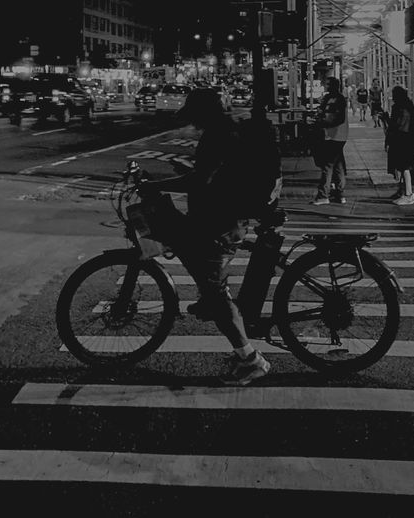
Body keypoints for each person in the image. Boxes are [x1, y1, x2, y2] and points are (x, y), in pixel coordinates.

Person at [142, 88, 282, 386]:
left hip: (222, 221)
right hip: (219, 217)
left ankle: (250, 360)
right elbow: (215, 174)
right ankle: (213, 300)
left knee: (214, 289)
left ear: (203, 113)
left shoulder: (219, 134)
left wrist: (158, 185)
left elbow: (201, 180)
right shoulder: (225, 129)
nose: (191, 121)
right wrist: (186, 173)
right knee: (198, 261)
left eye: (193, 114)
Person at [310, 76, 349, 206]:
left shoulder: (339, 99)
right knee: (337, 165)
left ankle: (323, 195)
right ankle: (340, 194)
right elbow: (322, 111)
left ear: (334, 86)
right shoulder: (328, 98)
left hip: (336, 135)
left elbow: (339, 119)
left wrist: (324, 123)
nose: (326, 86)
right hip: (331, 135)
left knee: (328, 165)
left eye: (328, 84)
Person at [386, 85, 414, 205]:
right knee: (403, 167)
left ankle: (408, 194)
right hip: (407, 139)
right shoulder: (407, 106)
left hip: (402, 140)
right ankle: (403, 191)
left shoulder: (401, 109)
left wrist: (388, 121)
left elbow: (399, 125)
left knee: (404, 167)